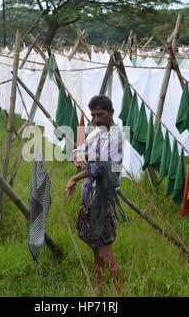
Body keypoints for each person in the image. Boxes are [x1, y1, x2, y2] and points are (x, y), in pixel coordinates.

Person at [63, 95, 124, 295]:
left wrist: (75, 176)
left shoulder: (116, 136)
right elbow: (80, 151)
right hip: (90, 196)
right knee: (95, 249)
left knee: (106, 251)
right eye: (94, 115)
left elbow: (99, 165)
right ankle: (100, 291)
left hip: (103, 199)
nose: (97, 119)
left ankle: (121, 292)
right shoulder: (97, 132)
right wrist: (79, 155)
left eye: (101, 114)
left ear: (111, 113)